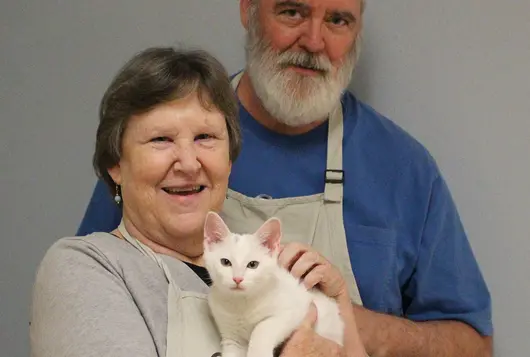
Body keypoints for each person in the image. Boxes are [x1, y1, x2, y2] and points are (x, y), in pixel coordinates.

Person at [76, 0, 494, 355]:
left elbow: (474, 344)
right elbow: (88, 299)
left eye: (337, 20)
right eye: (292, 11)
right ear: (248, 9)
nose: (314, 43)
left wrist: (339, 323)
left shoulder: (404, 168)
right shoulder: (165, 158)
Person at [30, 47, 368, 357]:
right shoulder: (84, 268)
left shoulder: (264, 272)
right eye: (160, 139)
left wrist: (341, 315)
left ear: (230, 159)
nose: (189, 163)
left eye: (205, 137)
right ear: (116, 165)